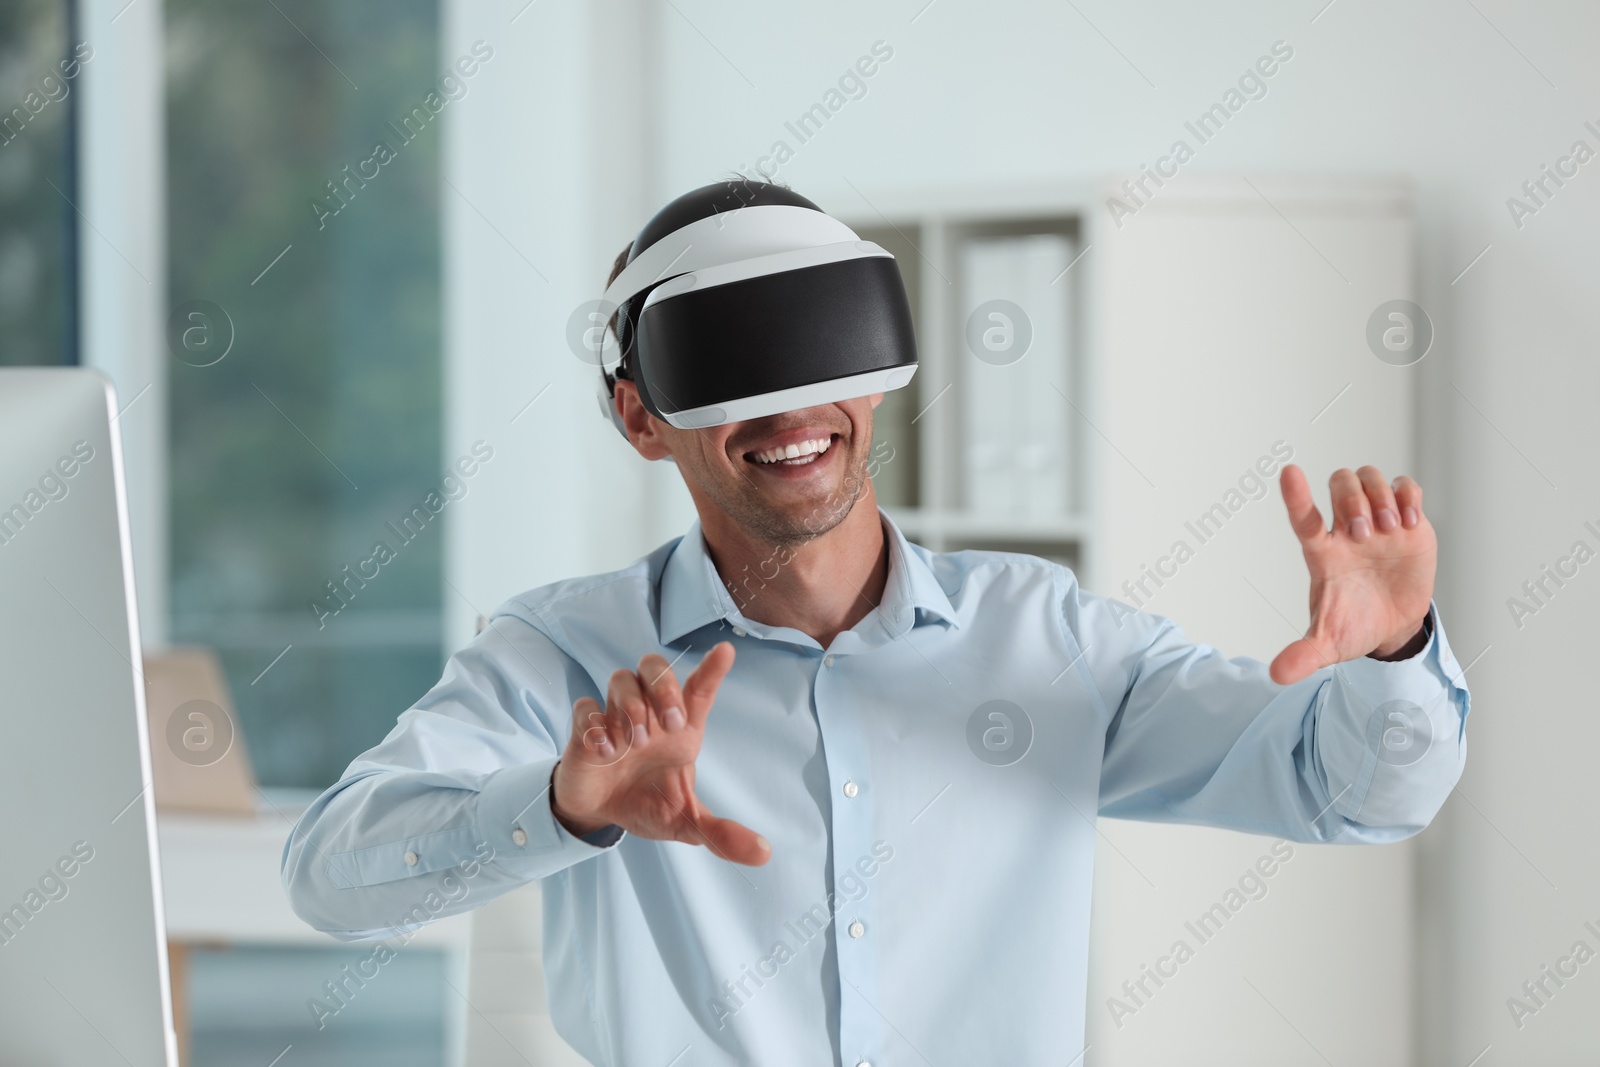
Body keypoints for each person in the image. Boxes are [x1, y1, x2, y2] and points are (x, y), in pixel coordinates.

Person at [282, 179, 1470, 1067]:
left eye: (815, 347)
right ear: (639, 417)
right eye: (730, 363)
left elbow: (1357, 793)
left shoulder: (1046, 639)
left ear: (871, 366)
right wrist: (564, 803)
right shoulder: (563, 658)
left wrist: (1393, 653)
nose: (789, 407)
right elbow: (333, 878)